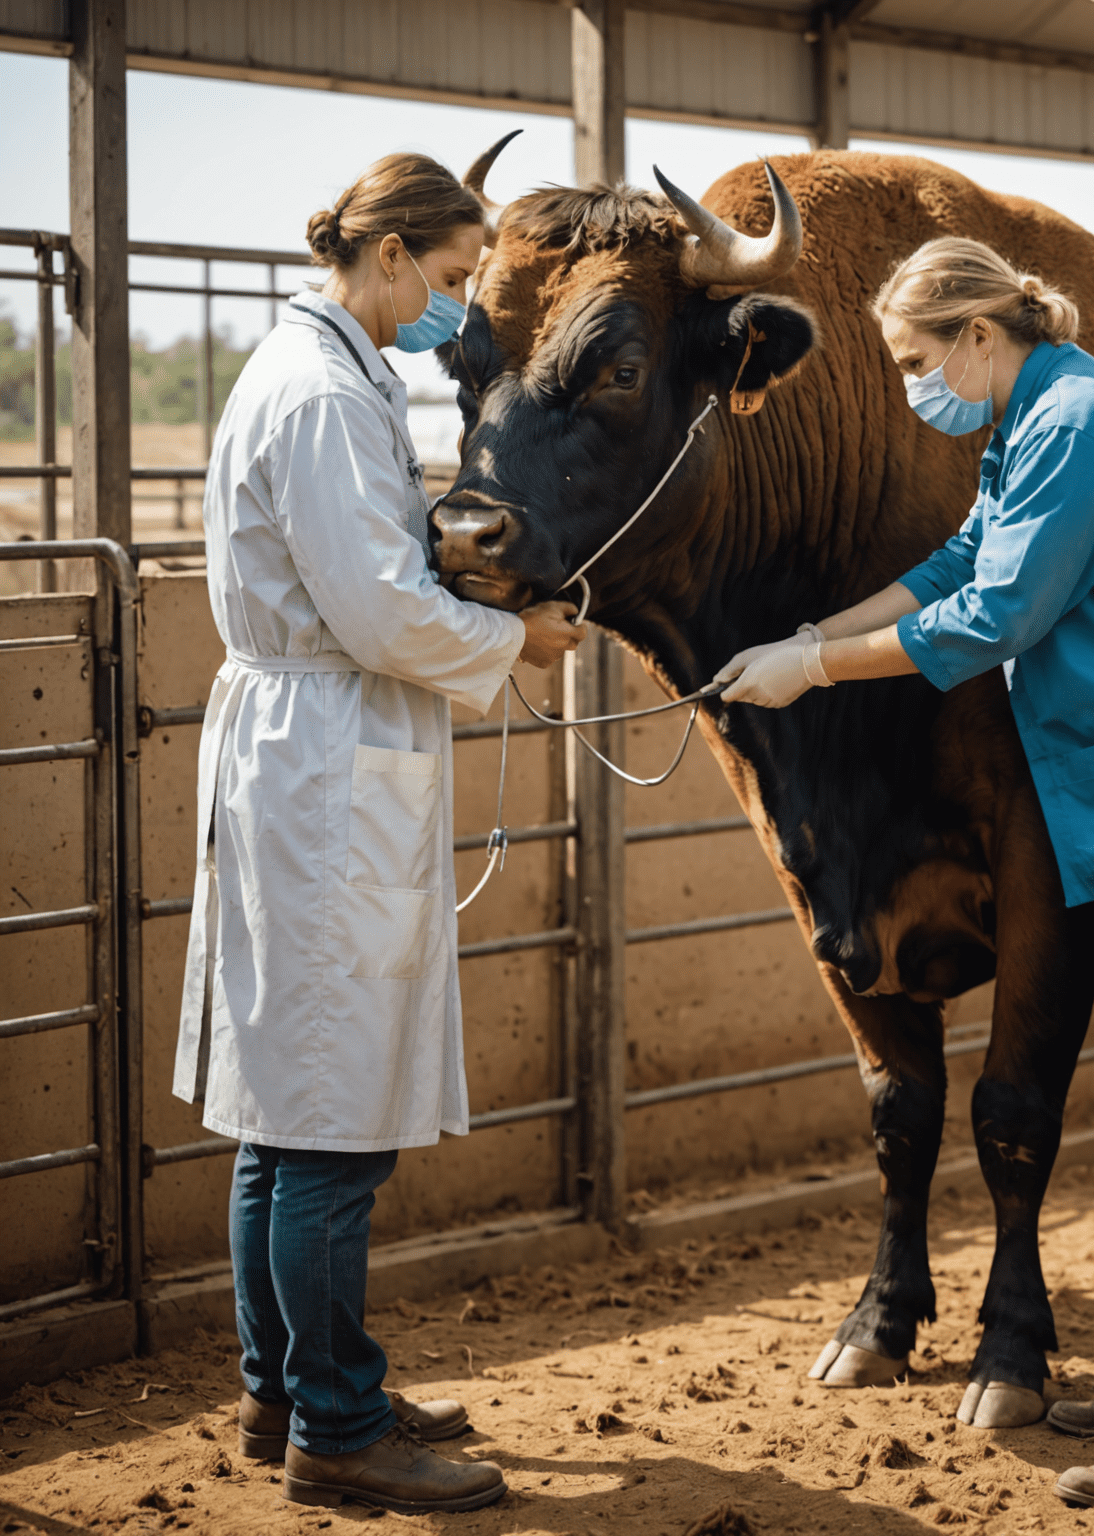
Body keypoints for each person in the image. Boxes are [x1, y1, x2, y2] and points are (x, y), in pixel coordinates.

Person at [717, 237, 1094, 1509]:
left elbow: (991, 620)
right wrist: (813, 629)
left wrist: (817, 674)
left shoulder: (1082, 423)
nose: (913, 384)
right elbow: (953, 565)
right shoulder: (1034, 418)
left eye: (917, 359)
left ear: (980, 335)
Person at [171, 151, 586, 1515]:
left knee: (282, 1109)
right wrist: (512, 635)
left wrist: (428, 528)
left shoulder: (318, 371)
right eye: (454, 278)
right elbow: (379, 615)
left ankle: (287, 1385)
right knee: (332, 1119)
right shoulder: (322, 391)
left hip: (308, 746)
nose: (455, 310)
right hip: (326, 754)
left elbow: (354, 556)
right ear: (393, 253)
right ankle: (338, 1434)